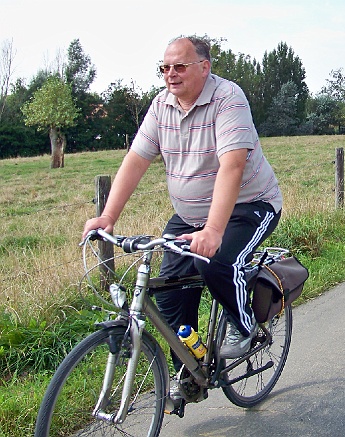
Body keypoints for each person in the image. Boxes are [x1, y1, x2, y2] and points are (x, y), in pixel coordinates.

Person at [82, 36, 283, 370]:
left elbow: (232, 165)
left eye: (179, 66)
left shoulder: (227, 98)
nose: (170, 74)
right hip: (190, 216)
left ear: (203, 68)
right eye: (164, 68)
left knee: (214, 261)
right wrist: (108, 216)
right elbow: (136, 159)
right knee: (170, 295)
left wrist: (215, 230)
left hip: (249, 205)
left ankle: (244, 327)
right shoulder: (162, 105)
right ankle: (190, 370)